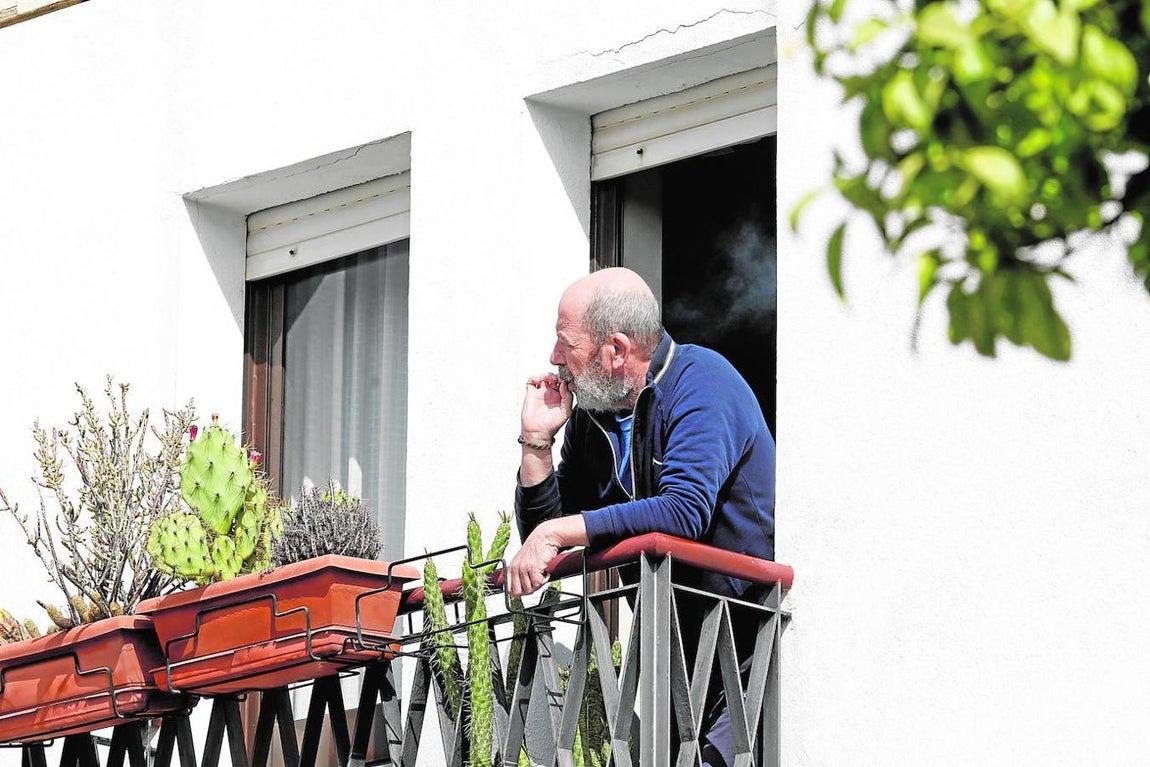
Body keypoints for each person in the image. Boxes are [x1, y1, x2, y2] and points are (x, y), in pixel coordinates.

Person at [507, 267, 775, 767]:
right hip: (672, 667)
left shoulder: (703, 381)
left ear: (616, 349)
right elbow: (548, 531)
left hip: (745, 658)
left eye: (567, 343)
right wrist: (538, 444)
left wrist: (560, 530)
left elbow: (683, 510)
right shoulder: (597, 418)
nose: (554, 358)